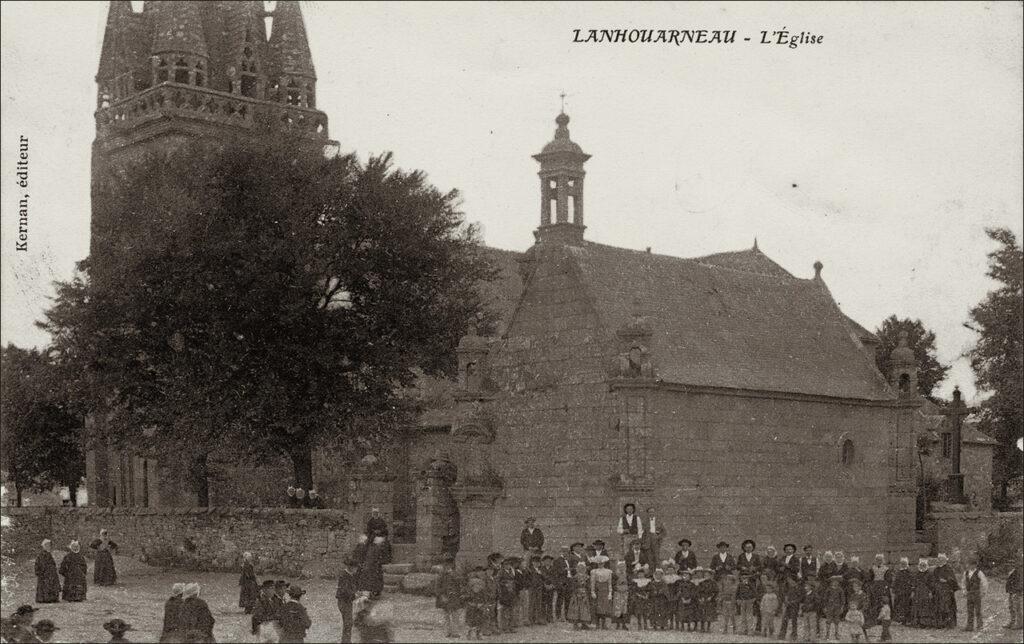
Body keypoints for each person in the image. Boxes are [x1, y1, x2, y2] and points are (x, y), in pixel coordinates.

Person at [434, 558, 462, 638]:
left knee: (455, 615)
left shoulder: (455, 574)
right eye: (446, 565)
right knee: (446, 615)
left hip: (454, 597)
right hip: (444, 597)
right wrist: (442, 596)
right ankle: (447, 632)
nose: (448, 566)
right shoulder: (440, 576)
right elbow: (437, 588)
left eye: (450, 565)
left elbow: (459, 585)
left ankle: (455, 632)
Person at [358, 533, 391, 598]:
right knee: (372, 579)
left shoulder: (373, 547)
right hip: (371, 566)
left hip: (373, 566)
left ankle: (373, 592)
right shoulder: (372, 548)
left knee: (374, 579)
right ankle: (371, 592)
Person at [865, 553, 893, 628]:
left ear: (883, 560)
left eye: (880, 560)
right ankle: (875, 618)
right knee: (874, 601)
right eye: (877, 560)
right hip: (874, 587)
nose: (879, 561)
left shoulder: (886, 569)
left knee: (883, 602)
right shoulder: (872, 568)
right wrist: (870, 585)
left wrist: (886, 586)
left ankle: (883, 619)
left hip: (883, 586)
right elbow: (869, 578)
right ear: (875, 560)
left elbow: (889, 579)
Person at [933, 552, 959, 629]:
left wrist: (946, 580)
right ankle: (940, 623)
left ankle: (949, 624)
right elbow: (933, 579)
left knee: (947, 607)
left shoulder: (948, 568)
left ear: (945, 560)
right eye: (939, 559)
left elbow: (953, 580)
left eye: (942, 559)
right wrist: (937, 583)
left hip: (947, 590)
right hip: (939, 590)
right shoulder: (936, 569)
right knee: (939, 606)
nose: (940, 560)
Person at [962, 553, 988, 631]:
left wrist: (983, 592)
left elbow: (984, 582)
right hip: (969, 594)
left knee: (978, 611)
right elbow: (963, 582)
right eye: (969, 564)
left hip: (976, 593)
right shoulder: (966, 573)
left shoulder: (979, 573)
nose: (971, 566)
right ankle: (970, 626)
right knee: (970, 610)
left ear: (976, 565)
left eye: (973, 565)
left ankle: (980, 626)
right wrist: (964, 591)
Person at [336, 558, 358, 643]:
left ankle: (346, 641)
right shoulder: (344, 576)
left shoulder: (349, 575)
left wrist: (355, 592)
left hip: (347, 602)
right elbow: (344, 591)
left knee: (348, 623)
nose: (356, 569)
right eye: (355, 568)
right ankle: (346, 641)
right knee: (348, 623)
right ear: (351, 567)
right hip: (344, 602)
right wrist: (354, 595)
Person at [910, 558, 935, 628]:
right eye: (921, 565)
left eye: (924, 565)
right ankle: (917, 622)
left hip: (925, 592)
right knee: (917, 606)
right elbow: (914, 583)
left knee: (926, 606)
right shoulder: (917, 574)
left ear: (926, 565)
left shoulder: (929, 574)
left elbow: (931, 584)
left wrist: (930, 592)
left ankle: (925, 623)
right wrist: (913, 591)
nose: (922, 566)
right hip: (918, 592)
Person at [463, 568, 488, 640]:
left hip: (478, 603)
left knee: (478, 619)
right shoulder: (470, 583)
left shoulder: (482, 582)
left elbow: (484, 594)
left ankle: (476, 634)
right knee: (472, 619)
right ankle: (471, 634)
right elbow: (467, 594)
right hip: (472, 604)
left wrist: (483, 603)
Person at [566, 561, 592, 630]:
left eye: (583, 568)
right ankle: (575, 624)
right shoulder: (575, 577)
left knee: (584, 608)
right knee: (575, 608)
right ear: (577, 568)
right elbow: (573, 586)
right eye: (579, 568)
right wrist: (576, 591)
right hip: (576, 594)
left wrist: (587, 588)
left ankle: (584, 623)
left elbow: (589, 585)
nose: (581, 569)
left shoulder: (587, 577)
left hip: (584, 594)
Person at [590, 555, 613, 629]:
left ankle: (603, 624)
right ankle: (597, 624)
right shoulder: (594, 571)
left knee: (604, 607)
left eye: (602, 563)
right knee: (597, 607)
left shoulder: (608, 571)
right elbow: (592, 582)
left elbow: (609, 583)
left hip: (605, 590)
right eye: (599, 563)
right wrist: (592, 591)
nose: (600, 564)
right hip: (598, 590)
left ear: (604, 563)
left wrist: (610, 593)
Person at [495, 558, 517, 633]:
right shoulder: (501, 572)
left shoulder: (512, 571)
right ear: (503, 565)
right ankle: (505, 627)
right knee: (504, 611)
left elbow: (514, 581)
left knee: (511, 610)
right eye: (506, 564)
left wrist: (512, 585)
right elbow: (497, 581)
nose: (508, 566)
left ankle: (510, 626)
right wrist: (505, 584)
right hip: (504, 593)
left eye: (509, 564)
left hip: (511, 593)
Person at [695, 567, 719, 632]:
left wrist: (711, 597)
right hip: (703, 599)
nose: (706, 576)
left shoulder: (713, 583)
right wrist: (700, 598)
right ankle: (702, 627)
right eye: (705, 575)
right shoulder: (702, 583)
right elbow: (698, 591)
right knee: (702, 613)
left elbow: (716, 591)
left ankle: (708, 627)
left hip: (710, 600)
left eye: (708, 575)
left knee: (709, 614)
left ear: (711, 575)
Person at [778, 575, 801, 640]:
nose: (789, 581)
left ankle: (794, 635)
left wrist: (792, 602)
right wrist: (786, 601)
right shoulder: (788, 587)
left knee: (794, 621)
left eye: (790, 580)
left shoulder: (798, 588)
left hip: (794, 607)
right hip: (788, 606)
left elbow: (800, 598)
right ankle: (782, 634)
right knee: (785, 620)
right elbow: (784, 595)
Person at [630, 566, 652, 630]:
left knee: (645, 612)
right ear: (637, 575)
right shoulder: (635, 581)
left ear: (644, 574)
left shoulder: (648, 581)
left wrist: (647, 595)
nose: (640, 575)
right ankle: (639, 625)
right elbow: (633, 590)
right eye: (639, 574)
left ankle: (645, 625)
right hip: (638, 598)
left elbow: (649, 589)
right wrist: (639, 595)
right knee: (639, 612)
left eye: (642, 574)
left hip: (646, 598)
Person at [824, 575, 846, 640]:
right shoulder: (828, 589)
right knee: (828, 621)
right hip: (829, 607)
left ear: (838, 582)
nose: (834, 582)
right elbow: (825, 599)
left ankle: (836, 634)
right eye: (833, 581)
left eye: (836, 581)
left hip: (837, 607)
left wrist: (842, 607)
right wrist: (825, 607)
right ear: (831, 582)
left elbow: (843, 599)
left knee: (837, 621)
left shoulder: (840, 590)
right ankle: (827, 634)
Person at [554, 546, 573, 621]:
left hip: (569, 581)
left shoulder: (569, 560)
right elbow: (556, 572)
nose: (566, 553)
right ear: (561, 552)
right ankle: (558, 616)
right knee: (560, 599)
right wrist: (564, 570)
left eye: (567, 552)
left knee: (568, 599)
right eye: (564, 551)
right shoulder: (557, 560)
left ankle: (567, 616)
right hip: (562, 582)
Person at [801, 575, 823, 641]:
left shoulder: (814, 594)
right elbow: (802, 602)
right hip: (805, 612)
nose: (805, 587)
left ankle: (813, 638)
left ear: (811, 587)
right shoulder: (805, 594)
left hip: (812, 612)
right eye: (805, 586)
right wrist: (803, 608)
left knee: (812, 625)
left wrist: (812, 605)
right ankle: (806, 637)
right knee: (806, 625)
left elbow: (818, 602)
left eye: (807, 586)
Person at [892, 556, 912, 625]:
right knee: (899, 605)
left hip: (906, 592)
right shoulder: (898, 572)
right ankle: (899, 619)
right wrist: (894, 589)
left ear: (907, 564)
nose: (903, 565)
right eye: (902, 563)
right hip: (899, 591)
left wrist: (911, 590)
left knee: (906, 605)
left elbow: (911, 582)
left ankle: (906, 620)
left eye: (905, 563)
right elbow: (895, 581)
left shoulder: (909, 572)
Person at [612, 560, 630, 631]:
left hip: (625, 593)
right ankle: (618, 624)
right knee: (618, 608)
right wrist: (617, 588)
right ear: (618, 567)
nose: (622, 568)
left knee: (624, 609)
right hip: (618, 593)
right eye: (620, 567)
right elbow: (613, 584)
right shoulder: (615, 574)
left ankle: (623, 624)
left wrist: (626, 588)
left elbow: (630, 583)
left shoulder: (627, 574)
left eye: (623, 566)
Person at [1006, 551, 1022, 630]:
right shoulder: (1011, 571)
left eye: (1013, 562)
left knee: (1017, 607)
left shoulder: (1019, 571)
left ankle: (1019, 623)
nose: (1011, 564)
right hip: (1011, 591)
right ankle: (1012, 621)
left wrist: (1018, 591)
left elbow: (1020, 582)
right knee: (1011, 607)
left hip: (1016, 591)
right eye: (1010, 562)